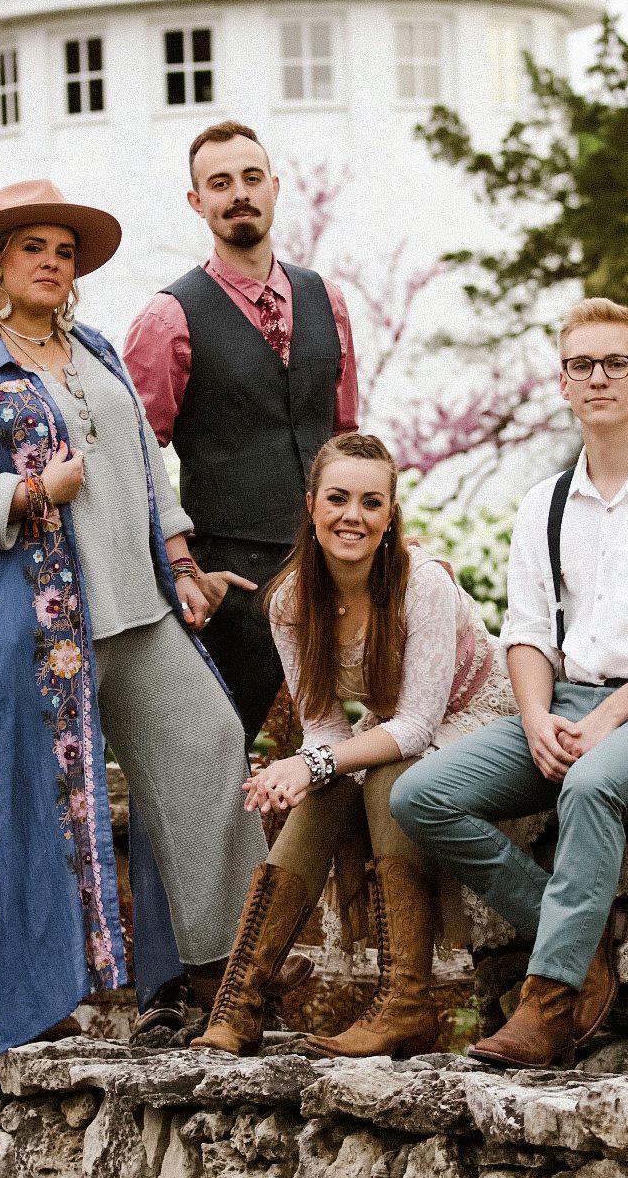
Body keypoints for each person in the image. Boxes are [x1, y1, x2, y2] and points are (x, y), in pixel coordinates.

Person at [0, 180, 269, 1052]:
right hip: (36, 631)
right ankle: (37, 1003)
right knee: (34, 807)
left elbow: (146, 465)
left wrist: (181, 562)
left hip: (140, 610)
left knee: (210, 743)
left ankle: (228, 976)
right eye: (33, 248)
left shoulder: (99, 351)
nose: (52, 263)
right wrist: (30, 492)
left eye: (64, 252)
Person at [391, 297, 628, 1069]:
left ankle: (548, 1003)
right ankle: (578, 945)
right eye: (581, 364)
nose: (598, 377)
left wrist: (611, 717)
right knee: (421, 795)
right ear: (562, 382)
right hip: (563, 707)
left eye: (616, 362)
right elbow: (527, 633)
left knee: (589, 785)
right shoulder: (543, 503)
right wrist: (533, 718)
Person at [123, 120, 358, 1025]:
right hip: (230, 588)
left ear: (274, 186)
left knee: (355, 758)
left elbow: (347, 442)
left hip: (328, 577)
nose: (238, 194)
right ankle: (169, 987)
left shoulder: (326, 300)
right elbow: (134, 462)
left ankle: (308, 977)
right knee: (194, 771)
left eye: (251, 176)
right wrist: (180, 563)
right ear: (197, 203)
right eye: (219, 183)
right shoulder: (170, 317)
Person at [190, 432, 518, 1058]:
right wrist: (309, 770)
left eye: (372, 503)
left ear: (391, 515)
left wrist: (310, 762)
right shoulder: (290, 602)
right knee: (325, 790)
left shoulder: (421, 585)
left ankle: (405, 1003)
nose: (353, 516)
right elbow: (325, 727)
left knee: (390, 779)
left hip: (480, 714)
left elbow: (417, 726)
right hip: (398, 726)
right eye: (338, 499)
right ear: (311, 505)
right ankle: (241, 1001)